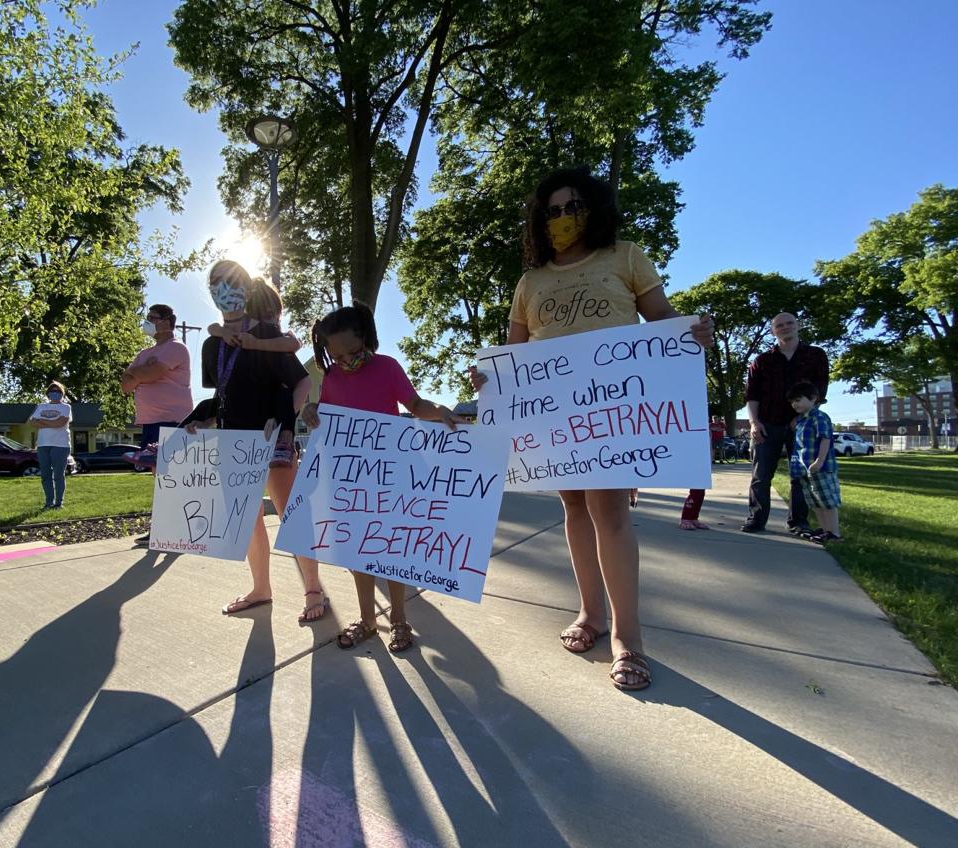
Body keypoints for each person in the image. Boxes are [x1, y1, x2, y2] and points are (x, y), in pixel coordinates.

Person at [471, 167, 713, 691]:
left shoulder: (625, 256)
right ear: (541, 220)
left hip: (613, 410)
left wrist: (692, 334)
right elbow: (514, 354)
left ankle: (629, 637)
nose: (564, 217)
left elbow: (663, 321)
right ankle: (591, 614)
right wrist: (489, 377)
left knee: (609, 510)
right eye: (553, 210)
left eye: (574, 206)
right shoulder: (530, 282)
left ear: (595, 208)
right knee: (574, 507)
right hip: (557, 415)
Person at [300, 304, 460, 653]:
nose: (346, 361)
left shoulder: (387, 367)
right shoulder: (332, 378)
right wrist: (311, 410)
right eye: (336, 355)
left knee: (391, 549)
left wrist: (440, 412)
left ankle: (399, 619)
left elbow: (415, 405)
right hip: (351, 478)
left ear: (367, 340)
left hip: (391, 471)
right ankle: (367, 619)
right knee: (359, 551)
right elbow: (326, 415)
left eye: (353, 352)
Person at [183, 261, 330, 622]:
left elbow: (302, 382)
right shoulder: (211, 345)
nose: (226, 290)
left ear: (248, 290)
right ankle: (260, 588)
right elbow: (224, 394)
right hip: (233, 443)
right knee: (247, 519)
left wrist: (284, 423)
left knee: (290, 514)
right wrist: (203, 420)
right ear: (210, 291)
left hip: (272, 441)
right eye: (217, 283)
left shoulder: (266, 334)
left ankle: (313, 589)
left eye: (233, 283)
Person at [741, 312, 829, 534]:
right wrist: (754, 422)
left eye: (789, 323)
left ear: (798, 326)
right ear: (773, 331)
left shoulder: (815, 355)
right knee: (760, 477)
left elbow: (820, 391)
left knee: (799, 476)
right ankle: (756, 519)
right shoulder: (762, 361)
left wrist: (800, 417)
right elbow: (752, 395)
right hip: (767, 424)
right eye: (779, 325)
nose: (785, 327)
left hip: (802, 426)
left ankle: (798, 522)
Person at [206, 280, 300, 467]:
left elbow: (304, 380)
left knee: (285, 495)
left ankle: (285, 439)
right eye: (265, 315)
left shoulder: (276, 343)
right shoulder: (228, 343)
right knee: (207, 404)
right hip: (236, 437)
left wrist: (282, 424)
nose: (273, 321)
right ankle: (170, 443)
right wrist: (220, 331)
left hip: (272, 436)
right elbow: (221, 389)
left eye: (275, 314)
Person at [121, 303, 194, 448]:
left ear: (166, 322)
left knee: (170, 469)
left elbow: (151, 374)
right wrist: (142, 370)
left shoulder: (176, 347)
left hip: (171, 422)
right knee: (154, 469)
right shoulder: (144, 354)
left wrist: (134, 372)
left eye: (151, 318)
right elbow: (126, 386)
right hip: (149, 423)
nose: (146, 322)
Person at [787, 380, 842, 544]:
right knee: (815, 501)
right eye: (792, 401)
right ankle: (825, 530)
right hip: (805, 469)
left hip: (822, 468)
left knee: (827, 501)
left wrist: (819, 461)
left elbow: (825, 439)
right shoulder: (800, 421)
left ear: (813, 398)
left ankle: (835, 533)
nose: (794, 404)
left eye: (798, 400)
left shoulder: (820, 417)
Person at [29, 382, 72, 509]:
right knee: (45, 475)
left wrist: (42, 421)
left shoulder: (66, 407)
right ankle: (49, 502)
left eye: (58, 391)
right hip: (43, 444)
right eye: (52, 391)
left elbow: (61, 423)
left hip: (61, 445)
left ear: (62, 394)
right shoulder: (41, 406)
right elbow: (32, 422)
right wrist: (52, 422)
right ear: (48, 394)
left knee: (58, 475)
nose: (55, 394)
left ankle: (59, 503)